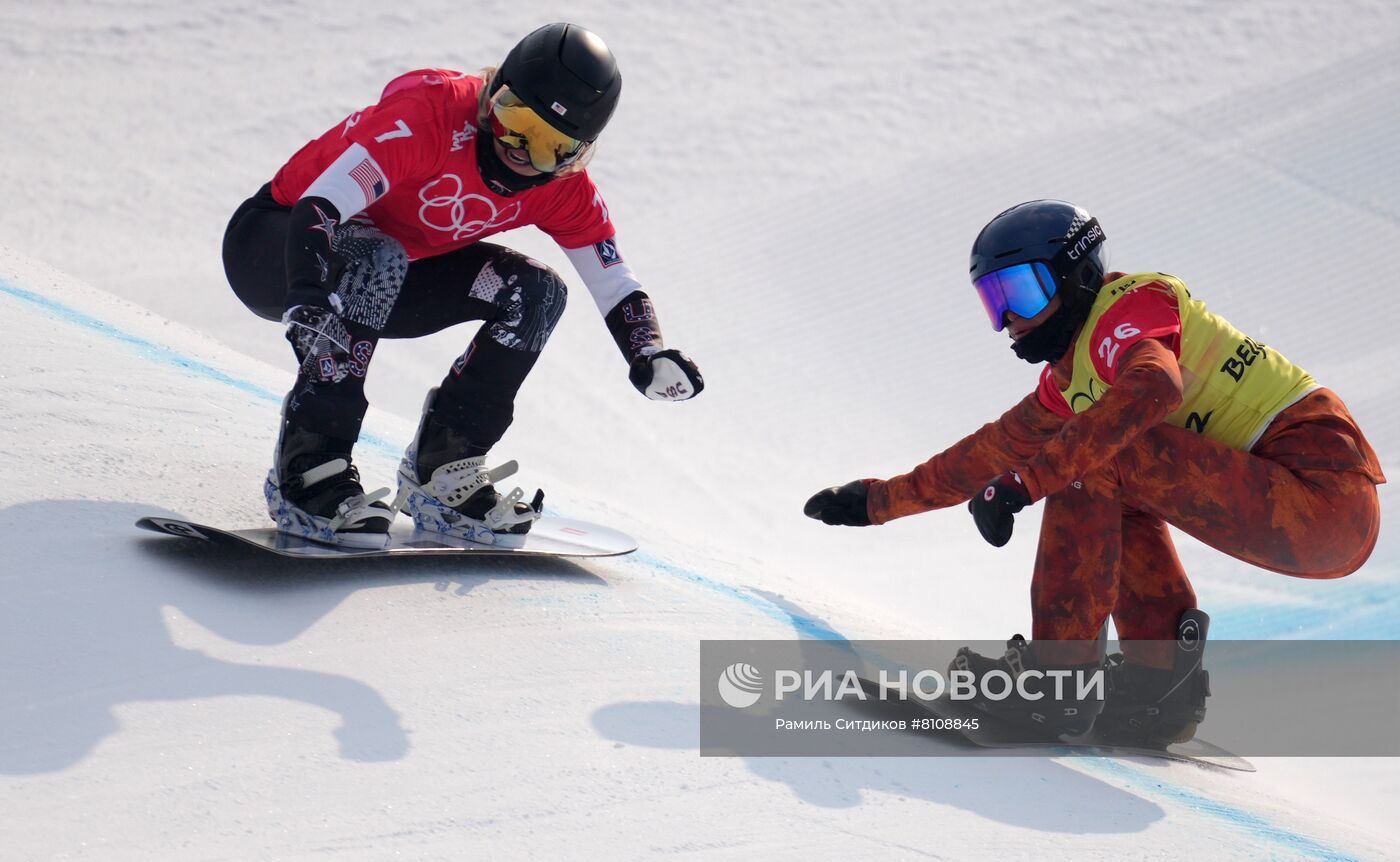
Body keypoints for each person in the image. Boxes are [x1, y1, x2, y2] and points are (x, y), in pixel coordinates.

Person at [805, 200, 1384, 742]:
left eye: (1024, 293)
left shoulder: (1132, 306)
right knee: (1107, 466)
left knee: (1098, 455)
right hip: (1311, 508)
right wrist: (878, 501)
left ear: (1076, 277)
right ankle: (1159, 685)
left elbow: (1154, 383)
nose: (1011, 319)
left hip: (1322, 492)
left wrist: (1029, 482)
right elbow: (992, 451)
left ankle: (1055, 685)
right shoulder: (1074, 379)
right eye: (994, 300)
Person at [222, 23, 703, 549]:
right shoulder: (428, 116)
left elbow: (613, 279)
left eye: (551, 145)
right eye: (515, 121)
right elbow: (322, 206)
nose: (522, 151)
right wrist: (311, 290)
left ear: (578, 153)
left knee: (536, 292)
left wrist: (648, 351)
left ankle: (444, 471)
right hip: (276, 245)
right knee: (375, 252)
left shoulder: (564, 190)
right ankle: (310, 468)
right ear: (494, 94)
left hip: (384, 276)